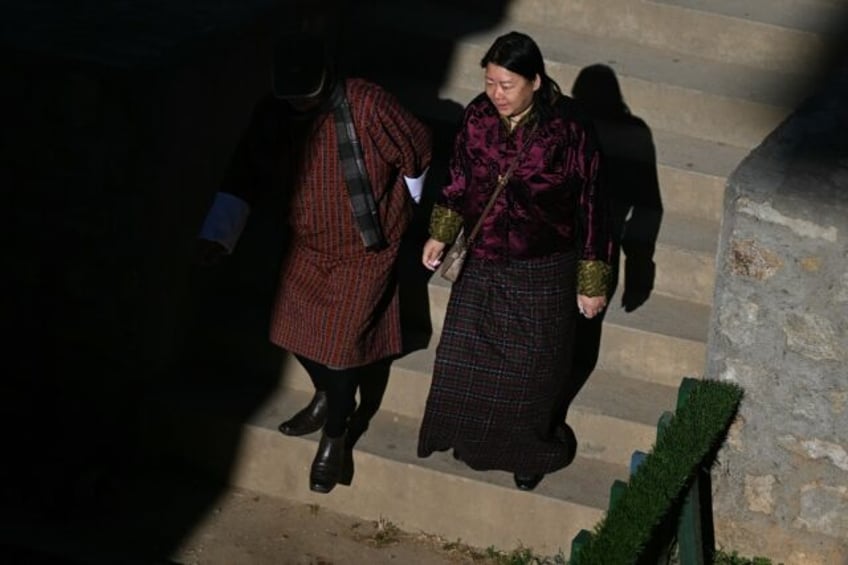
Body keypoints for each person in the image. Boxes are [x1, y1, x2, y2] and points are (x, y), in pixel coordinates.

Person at [197, 33, 432, 494]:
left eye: (309, 98)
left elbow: (416, 148)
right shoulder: (274, 113)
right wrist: (216, 237)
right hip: (309, 245)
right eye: (294, 100)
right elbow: (245, 169)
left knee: (342, 352)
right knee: (289, 329)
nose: (301, 107)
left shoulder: (367, 105)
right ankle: (328, 395)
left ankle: (336, 436)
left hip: (365, 249)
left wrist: (406, 205)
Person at [416, 31, 613, 492]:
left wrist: (593, 278)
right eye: (489, 82)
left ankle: (529, 452)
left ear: (535, 81)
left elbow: (591, 203)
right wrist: (440, 234)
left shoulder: (569, 129)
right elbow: (459, 179)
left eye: (506, 85)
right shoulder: (477, 118)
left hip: (542, 264)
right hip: (484, 258)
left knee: (531, 373)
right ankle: (475, 440)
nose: (496, 94)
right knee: (463, 362)